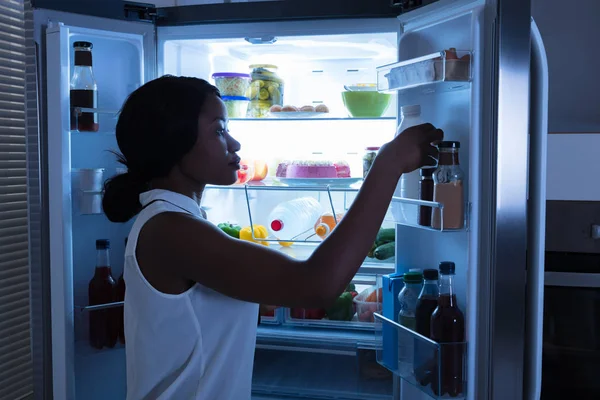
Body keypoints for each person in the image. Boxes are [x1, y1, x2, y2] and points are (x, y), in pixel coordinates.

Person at [102, 75, 442, 400]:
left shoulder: (177, 222)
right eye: (219, 130)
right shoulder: (171, 230)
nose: (234, 143)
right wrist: (388, 162)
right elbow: (316, 286)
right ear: (175, 143)